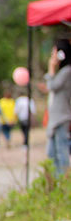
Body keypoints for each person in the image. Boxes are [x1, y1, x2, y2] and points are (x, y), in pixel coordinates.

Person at [45, 38, 71, 176]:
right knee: (52, 152)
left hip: (62, 116)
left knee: (61, 151)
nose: (52, 56)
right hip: (56, 117)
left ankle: (64, 183)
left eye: (54, 52)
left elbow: (52, 86)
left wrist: (51, 67)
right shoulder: (64, 71)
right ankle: (56, 182)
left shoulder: (67, 71)